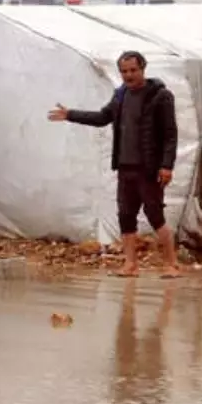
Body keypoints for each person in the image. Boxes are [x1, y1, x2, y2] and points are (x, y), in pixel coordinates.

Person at [48, 50, 181, 278]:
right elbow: (102, 118)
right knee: (126, 216)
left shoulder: (160, 96)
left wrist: (166, 165)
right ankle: (130, 264)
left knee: (155, 215)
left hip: (148, 169)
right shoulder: (120, 96)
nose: (128, 75)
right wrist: (70, 114)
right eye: (124, 71)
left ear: (143, 69)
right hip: (125, 167)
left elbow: (170, 134)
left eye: (133, 70)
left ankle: (171, 264)